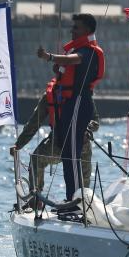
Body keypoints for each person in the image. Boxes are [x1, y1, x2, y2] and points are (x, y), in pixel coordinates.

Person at [36, 13, 105, 202]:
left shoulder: (89, 52)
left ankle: (76, 199)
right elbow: (68, 66)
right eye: (72, 27)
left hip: (79, 105)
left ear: (87, 30)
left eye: (76, 27)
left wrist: (49, 57)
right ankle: (71, 198)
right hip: (70, 105)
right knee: (67, 154)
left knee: (72, 154)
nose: (72, 31)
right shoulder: (80, 50)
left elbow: (74, 60)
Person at [10, 93, 100, 206]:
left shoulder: (54, 93)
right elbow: (96, 123)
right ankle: (38, 201)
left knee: (36, 159)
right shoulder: (78, 91)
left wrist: (18, 145)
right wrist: (18, 144)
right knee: (37, 159)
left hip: (71, 145)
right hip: (66, 144)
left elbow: (33, 124)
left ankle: (36, 201)